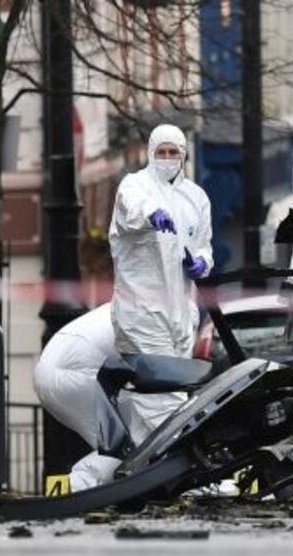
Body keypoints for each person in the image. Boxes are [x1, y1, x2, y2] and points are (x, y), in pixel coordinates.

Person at [34, 304, 188, 491]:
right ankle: (73, 491)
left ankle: (67, 492)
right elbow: (162, 384)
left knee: (125, 445)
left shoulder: (143, 301)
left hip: (51, 369)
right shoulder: (174, 315)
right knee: (130, 446)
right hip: (78, 371)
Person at [109, 124, 214, 357]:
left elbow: (203, 246)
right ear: (151, 153)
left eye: (173, 152)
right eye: (161, 152)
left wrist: (201, 263)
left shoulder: (196, 198)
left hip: (181, 317)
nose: (167, 158)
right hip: (141, 314)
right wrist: (151, 215)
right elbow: (131, 208)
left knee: (177, 378)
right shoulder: (135, 184)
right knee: (159, 379)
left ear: (183, 154)